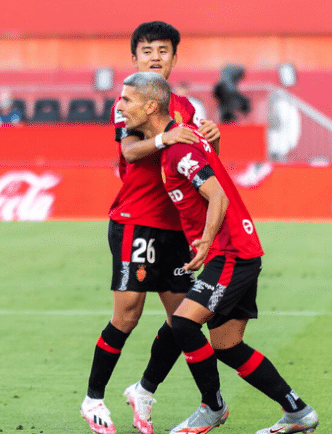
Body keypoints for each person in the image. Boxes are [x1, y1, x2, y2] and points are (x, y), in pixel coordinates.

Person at [117, 71, 318, 434]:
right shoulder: (181, 140)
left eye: (127, 99)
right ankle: (298, 412)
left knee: (183, 323)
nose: (120, 106)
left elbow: (218, 195)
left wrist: (206, 241)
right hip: (239, 250)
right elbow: (209, 173)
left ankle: (212, 407)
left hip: (230, 252)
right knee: (228, 346)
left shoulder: (178, 149)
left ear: (150, 107)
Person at [80, 21, 222, 434]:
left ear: (174, 58)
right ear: (135, 59)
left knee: (183, 320)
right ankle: (93, 399)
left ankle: (146, 390)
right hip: (135, 221)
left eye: (163, 50)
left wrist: (212, 139)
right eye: (147, 50)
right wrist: (164, 140)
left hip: (175, 226)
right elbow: (130, 150)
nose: (155, 57)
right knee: (127, 315)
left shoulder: (187, 107)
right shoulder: (127, 102)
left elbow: (201, 159)